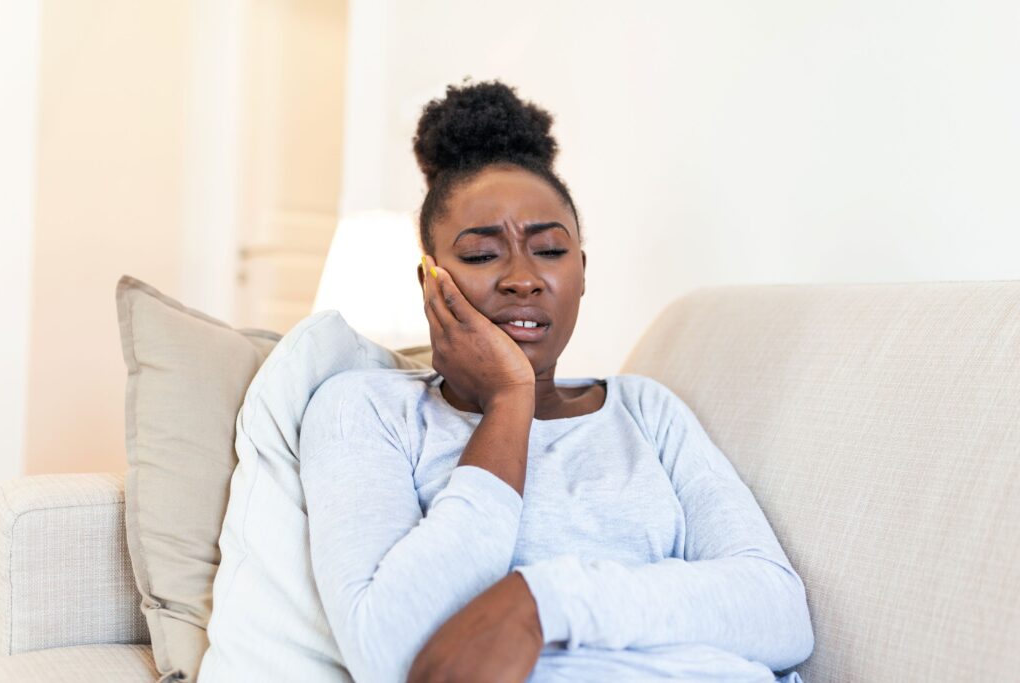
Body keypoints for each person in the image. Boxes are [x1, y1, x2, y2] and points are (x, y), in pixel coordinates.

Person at [299, 79, 814, 683]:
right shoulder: (366, 409)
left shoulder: (646, 410)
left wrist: (540, 603)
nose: (523, 278)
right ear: (430, 281)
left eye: (548, 249)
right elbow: (391, 651)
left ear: (582, 271)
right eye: (482, 255)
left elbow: (779, 614)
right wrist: (509, 401)